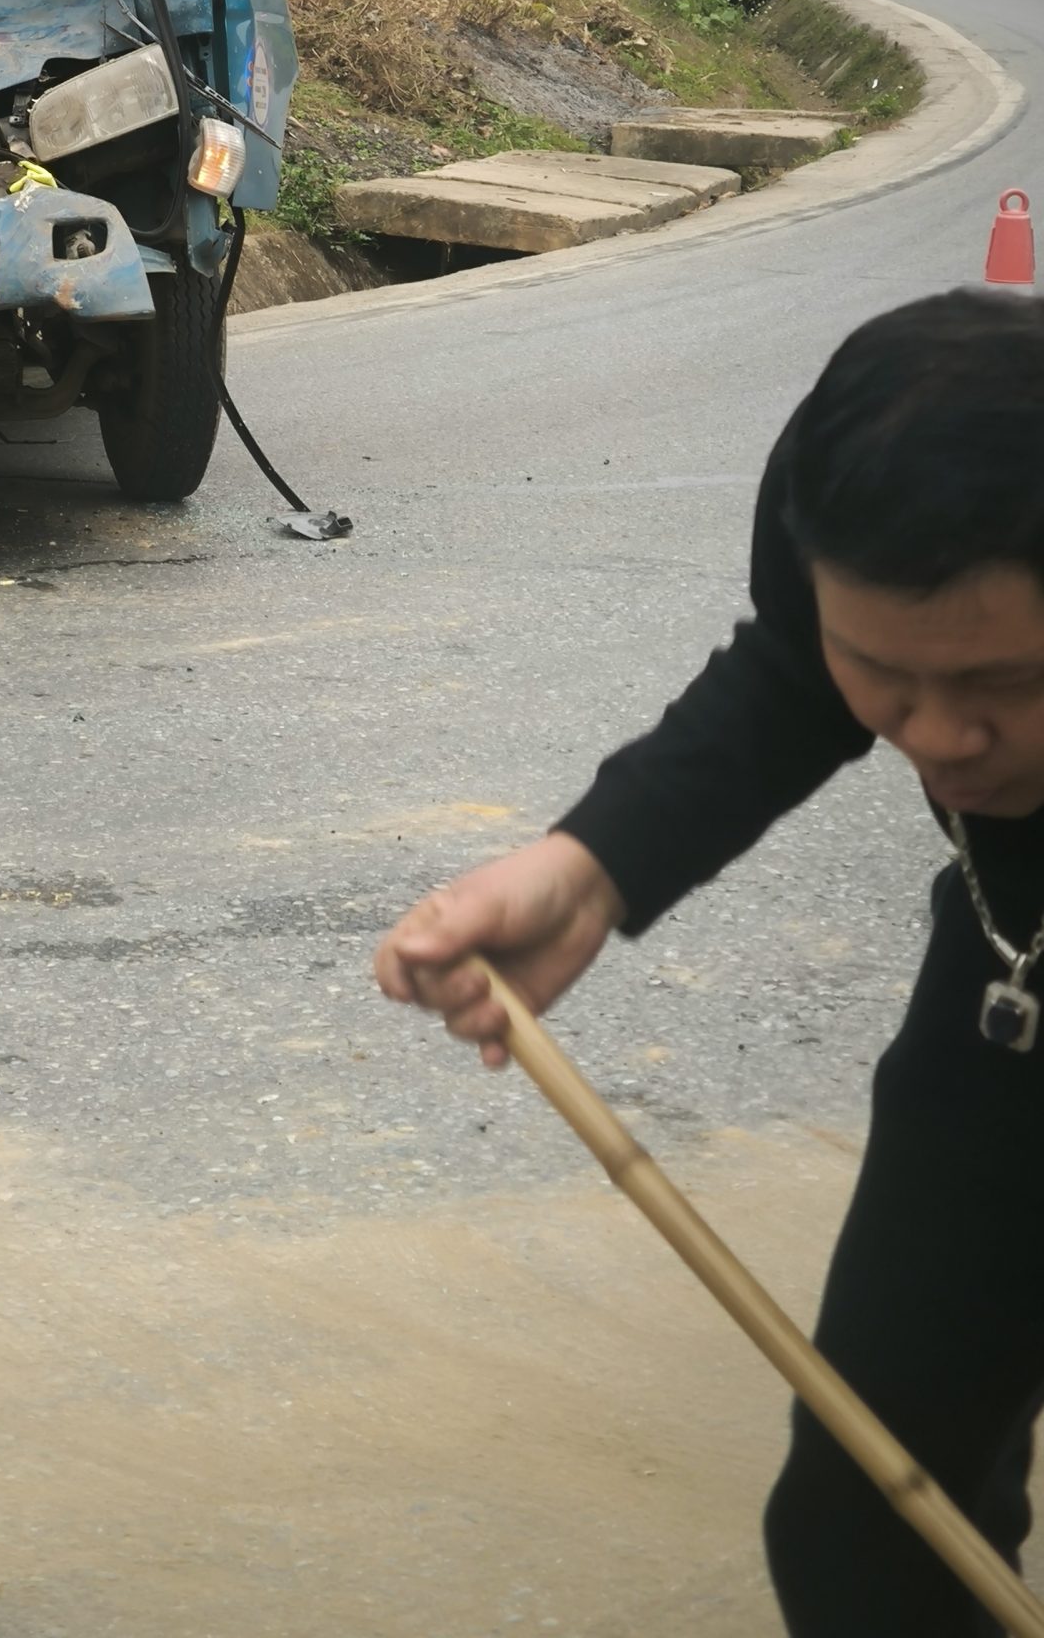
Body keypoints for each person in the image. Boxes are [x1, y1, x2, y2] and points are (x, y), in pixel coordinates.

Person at [373, 288, 1044, 1637]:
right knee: (870, 1517)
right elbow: (795, 673)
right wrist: (591, 863)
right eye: (887, 673)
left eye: (1008, 685)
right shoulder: (832, 501)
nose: (937, 738)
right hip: (1008, 992)